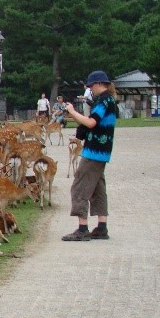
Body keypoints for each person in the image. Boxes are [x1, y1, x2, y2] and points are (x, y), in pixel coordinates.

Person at [61, 70, 118, 242]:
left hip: (94, 151)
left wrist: (72, 112)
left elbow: (91, 122)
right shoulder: (109, 100)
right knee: (98, 187)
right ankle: (102, 227)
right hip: (103, 151)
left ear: (100, 84)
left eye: (91, 86)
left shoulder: (104, 100)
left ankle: (82, 228)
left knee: (80, 186)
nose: (90, 89)